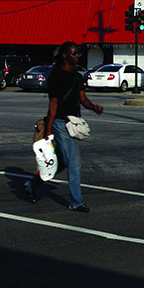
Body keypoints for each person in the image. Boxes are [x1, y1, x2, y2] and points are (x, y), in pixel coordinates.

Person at [25, 41, 103, 211]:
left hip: (72, 122)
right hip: (60, 123)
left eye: (78, 54)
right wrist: (49, 129)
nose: (77, 56)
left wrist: (94, 107)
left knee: (59, 163)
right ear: (65, 55)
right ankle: (76, 202)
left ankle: (32, 184)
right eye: (74, 53)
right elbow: (53, 104)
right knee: (75, 162)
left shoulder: (76, 76)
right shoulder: (56, 76)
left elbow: (83, 99)